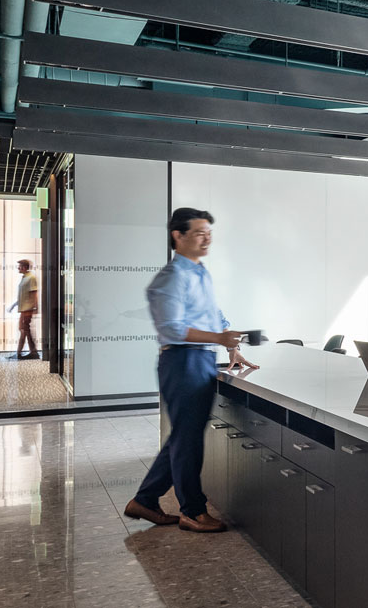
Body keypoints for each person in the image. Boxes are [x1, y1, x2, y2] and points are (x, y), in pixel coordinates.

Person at [124, 208, 256, 533]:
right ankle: (192, 512)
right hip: (182, 361)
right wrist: (219, 338)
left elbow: (212, 313)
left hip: (200, 359)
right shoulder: (171, 278)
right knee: (188, 441)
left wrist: (231, 346)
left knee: (184, 436)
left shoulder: (200, 272)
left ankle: (145, 500)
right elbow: (173, 328)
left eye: (209, 231)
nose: (207, 237)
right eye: (199, 232)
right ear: (178, 236)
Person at [11, 259, 40, 360]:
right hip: (23, 309)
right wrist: (14, 305)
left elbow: (34, 293)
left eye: (19, 266)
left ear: (24, 267)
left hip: (28, 309)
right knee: (24, 330)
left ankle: (21, 353)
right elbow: (23, 295)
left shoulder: (31, 278)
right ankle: (32, 352)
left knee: (23, 330)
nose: (18, 268)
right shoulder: (25, 278)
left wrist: (36, 307)